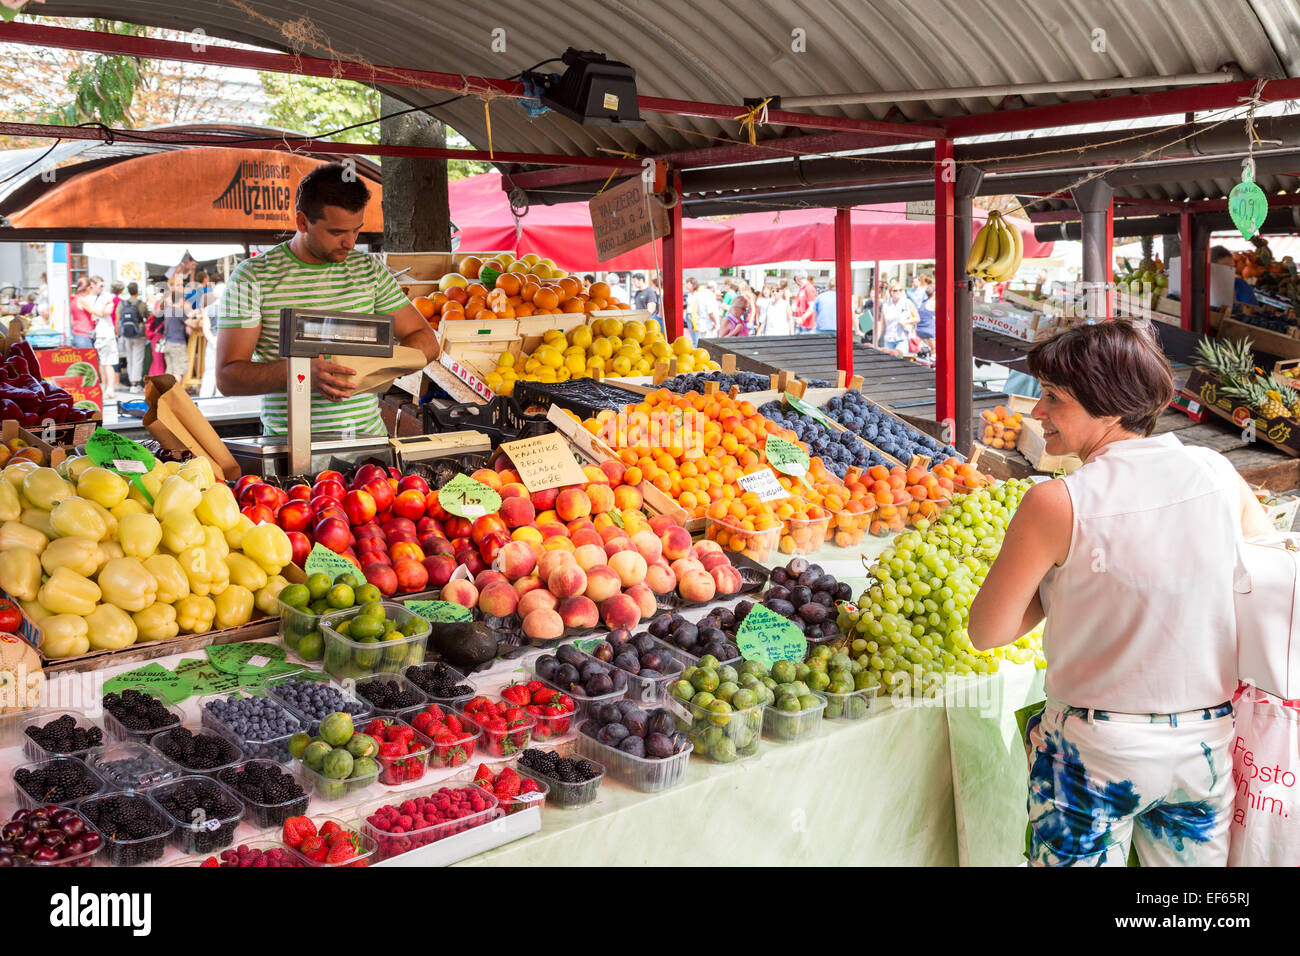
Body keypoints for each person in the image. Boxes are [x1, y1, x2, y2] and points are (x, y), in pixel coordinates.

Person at [968, 320, 1272, 868]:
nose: (1037, 413)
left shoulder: (1056, 502)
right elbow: (1266, 569)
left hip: (1095, 752)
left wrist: (1063, 583)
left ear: (1108, 407)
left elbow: (987, 631)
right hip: (1203, 746)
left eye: (1053, 398)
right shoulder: (1216, 472)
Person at [217, 162, 439, 438]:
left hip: (369, 445)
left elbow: (427, 341)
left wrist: (380, 367)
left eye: (356, 230)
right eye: (337, 233)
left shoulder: (369, 270)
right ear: (302, 222)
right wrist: (302, 372)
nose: (350, 242)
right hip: (290, 450)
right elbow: (228, 377)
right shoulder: (251, 277)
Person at [117, 282, 148, 393]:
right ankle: (135, 383)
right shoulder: (141, 304)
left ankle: (131, 383)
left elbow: (117, 320)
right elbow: (147, 317)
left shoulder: (122, 304)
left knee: (129, 359)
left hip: (126, 334)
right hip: (139, 335)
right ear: (137, 290)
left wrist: (118, 334)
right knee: (138, 359)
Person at [875, 282, 918, 354]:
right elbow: (882, 325)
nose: (898, 292)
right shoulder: (886, 306)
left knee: (900, 363)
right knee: (889, 363)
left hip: (902, 339)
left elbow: (917, 318)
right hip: (889, 340)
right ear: (890, 292)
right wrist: (876, 340)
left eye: (900, 290)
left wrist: (906, 322)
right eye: (895, 290)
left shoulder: (907, 303)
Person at [69, 276, 103, 348]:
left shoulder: (74, 299)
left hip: (76, 333)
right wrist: (107, 303)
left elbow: (72, 320)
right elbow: (98, 313)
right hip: (84, 335)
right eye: (91, 287)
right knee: (88, 358)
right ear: (87, 288)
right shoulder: (82, 300)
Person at [916, 274, 936, 355]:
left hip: (920, 331)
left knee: (925, 354)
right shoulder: (934, 303)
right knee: (934, 352)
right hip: (930, 332)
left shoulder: (923, 303)